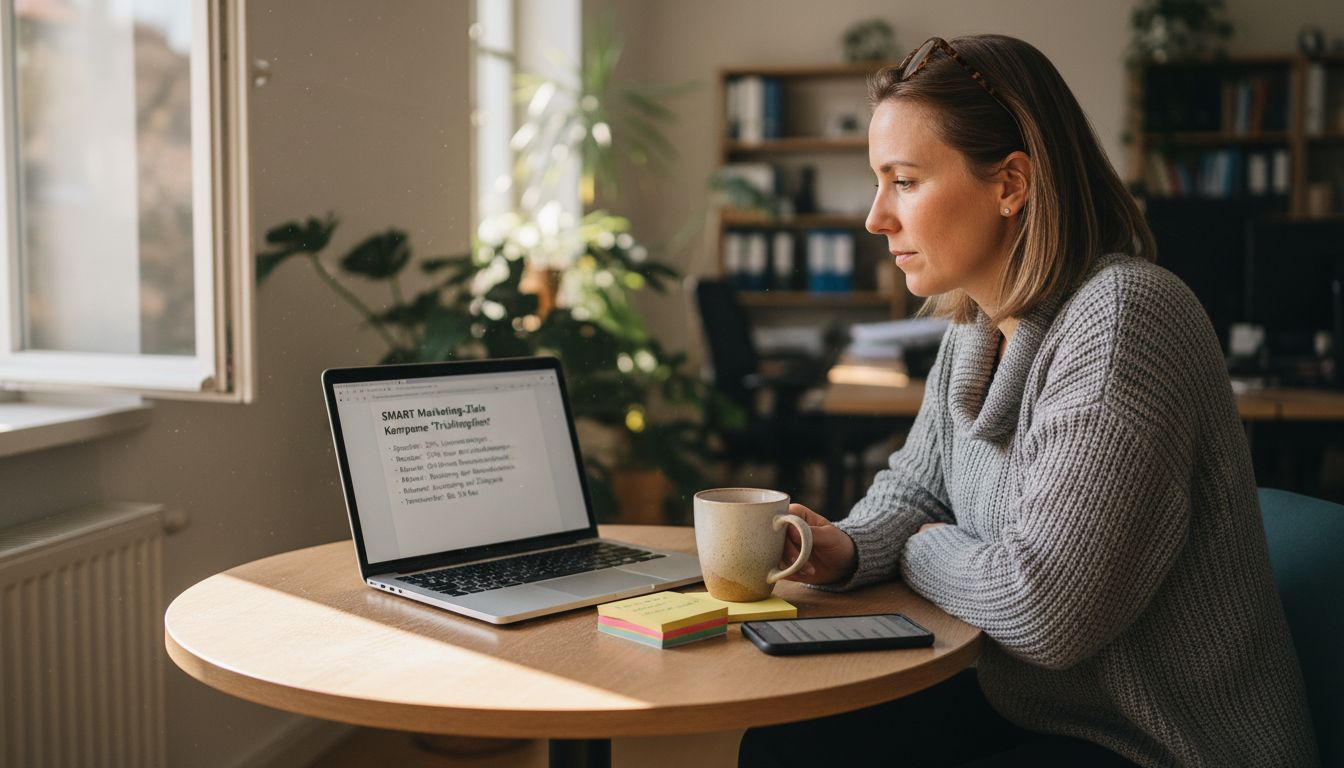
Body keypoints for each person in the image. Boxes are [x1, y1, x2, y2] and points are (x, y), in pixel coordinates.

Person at [738, 34, 1317, 768]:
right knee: (791, 745)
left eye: (905, 181)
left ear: (1011, 183)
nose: (875, 218)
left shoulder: (1123, 320)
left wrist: (922, 549)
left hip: (1163, 743)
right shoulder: (976, 326)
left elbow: (1043, 610)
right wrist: (849, 546)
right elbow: (919, 486)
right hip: (1040, 705)